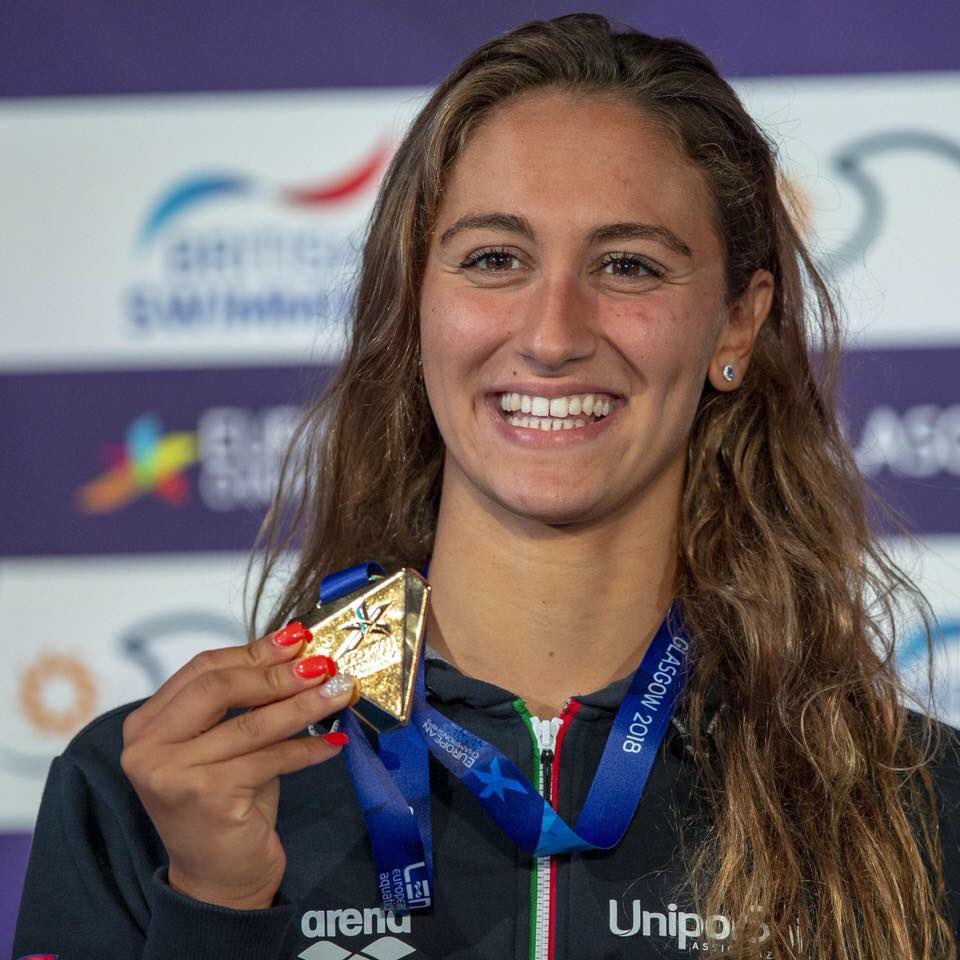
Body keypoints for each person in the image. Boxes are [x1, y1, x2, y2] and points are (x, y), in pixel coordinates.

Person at [14, 13, 960, 960]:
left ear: (737, 325)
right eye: (495, 259)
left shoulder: (916, 805)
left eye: (627, 265)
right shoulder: (153, 794)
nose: (552, 336)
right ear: (413, 299)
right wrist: (215, 909)